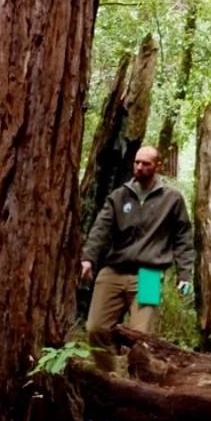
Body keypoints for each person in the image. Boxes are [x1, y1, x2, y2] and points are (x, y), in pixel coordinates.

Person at [80, 145, 194, 372]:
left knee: (142, 338)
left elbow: (183, 238)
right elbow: (101, 230)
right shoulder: (119, 196)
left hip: (149, 275)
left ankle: (138, 382)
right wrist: (88, 259)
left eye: (146, 164)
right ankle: (110, 376)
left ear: (157, 166)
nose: (140, 167)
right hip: (114, 270)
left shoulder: (172, 199)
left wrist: (185, 274)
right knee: (95, 329)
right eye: (137, 162)